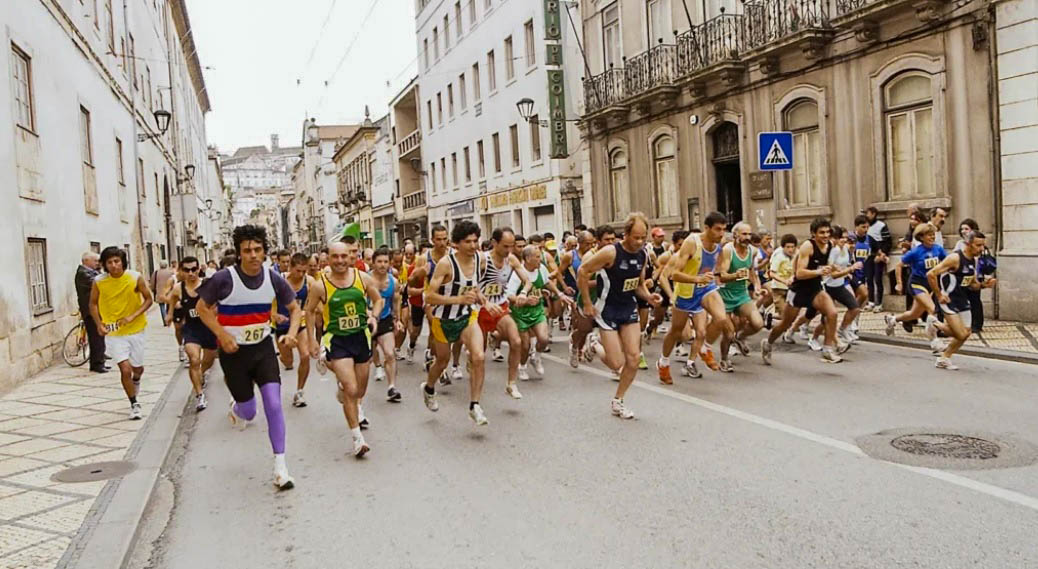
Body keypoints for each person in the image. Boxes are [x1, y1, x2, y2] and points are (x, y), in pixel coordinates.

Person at [196, 225, 302, 491]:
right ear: (240, 253)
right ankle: (237, 409)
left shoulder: (273, 278)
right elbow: (202, 309)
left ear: (265, 251)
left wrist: (290, 333)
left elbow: (294, 308)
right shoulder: (223, 278)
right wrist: (222, 334)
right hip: (234, 354)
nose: (253, 255)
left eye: (257, 249)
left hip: (263, 349)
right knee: (249, 410)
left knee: (274, 405)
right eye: (247, 250)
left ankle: (281, 467)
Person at [578, 212, 661, 419]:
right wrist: (587, 302)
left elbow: (639, 285)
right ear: (625, 234)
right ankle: (595, 344)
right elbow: (583, 271)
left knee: (633, 359)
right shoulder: (610, 252)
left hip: (628, 308)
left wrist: (650, 298)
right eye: (636, 237)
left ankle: (618, 400)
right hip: (607, 310)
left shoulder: (642, 254)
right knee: (617, 364)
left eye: (644, 237)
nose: (640, 241)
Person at [305, 239, 384, 456]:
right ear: (328, 259)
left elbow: (378, 300)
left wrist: (374, 317)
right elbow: (309, 311)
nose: (340, 261)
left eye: (344, 257)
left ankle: (344, 392)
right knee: (351, 388)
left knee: (359, 390)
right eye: (335, 257)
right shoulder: (320, 285)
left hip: (360, 337)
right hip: (337, 339)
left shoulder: (362, 278)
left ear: (350, 258)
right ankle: (358, 438)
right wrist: (312, 339)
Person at [421, 221, 491, 426]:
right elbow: (429, 297)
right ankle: (429, 388)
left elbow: (475, 288)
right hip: (443, 319)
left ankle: (475, 406)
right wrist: (457, 300)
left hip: (467, 317)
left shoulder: (481, 259)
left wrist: (484, 301)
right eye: (467, 242)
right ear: (457, 244)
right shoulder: (446, 264)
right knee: (442, 361)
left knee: (478, 356)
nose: (472, 245)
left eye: (475, 241)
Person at [761, 217, 847, 365]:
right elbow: (800, 273)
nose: (825, 236)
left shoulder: (830, 245)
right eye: (821, 233)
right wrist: (819, 272)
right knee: (785, 323)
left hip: (815, 288)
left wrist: (834, 268)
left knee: (832, 313)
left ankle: (827, 349)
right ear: (814, 233)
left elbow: (826, 264)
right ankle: (768, 343)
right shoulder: (808, 246)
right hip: (799, 289)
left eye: (827, 232)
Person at [658, 212, 732, 380]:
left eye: (724, 230)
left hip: (706, 288)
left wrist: (735, 276)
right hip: (686, 292)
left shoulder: (721, 245)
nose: (721, 234)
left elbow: (719, 271)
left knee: (720, 319)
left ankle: (704, 348)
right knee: (676, 331)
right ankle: (663, 362)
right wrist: (697, 278)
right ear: (707, 228)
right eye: (718, 229)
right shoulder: (692, 243)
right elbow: (674, 275)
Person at [89, 246, 154, 420]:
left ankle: (137, 379)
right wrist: (99, 324)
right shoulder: (99, 281)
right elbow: (93, 304)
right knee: (125, 370)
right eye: (109, 262)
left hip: (136, 330)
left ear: (123, 261)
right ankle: (134, 403)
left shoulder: (135, 277)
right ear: (105, 264)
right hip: (114, 332)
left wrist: (133, 316)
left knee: (137, 368)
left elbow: (149, 299)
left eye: (116, 261)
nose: (114, 265)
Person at [927, 230, 995, 370]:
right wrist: (939, 295)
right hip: (948, 299)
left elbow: (973, 284)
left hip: (962, 299)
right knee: (960, 333)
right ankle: (935, 324)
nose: (981, 249)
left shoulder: (974, 261)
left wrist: (984, 285)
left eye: (983, 245)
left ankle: (944, 358)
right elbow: (931, 274)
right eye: (978, 245)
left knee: (966, 333)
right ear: (968, 244)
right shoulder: (954, 258)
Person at [508, 244, 572, 381]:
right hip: (520, 314)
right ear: (527, 258)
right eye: (537, 257)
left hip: (537, 311)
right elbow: (509, 296)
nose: (540, 260)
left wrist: (560, 294)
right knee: (524, 345)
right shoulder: (517, 274)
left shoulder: (541, 269)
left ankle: (536, 358)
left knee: (544, 339)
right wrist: (524, 300)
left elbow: (547, 282)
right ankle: (523, 366)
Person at [477, 227, 527, 398]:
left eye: (511, 246)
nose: (509, 250)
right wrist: (485, 301)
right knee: (479, 353)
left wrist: (523, 293)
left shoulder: (511, 260)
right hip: (479, 310)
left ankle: (511, 384)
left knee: (516, 341)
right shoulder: (482, 260)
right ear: (494, 243)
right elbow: (470, 285)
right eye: (505, 246)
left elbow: (527, 280)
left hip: (500, 307)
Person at [885, 222, 947, 351]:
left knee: (914, 314)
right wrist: (899, 283)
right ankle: (935, 341)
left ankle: (893, 319)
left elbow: (946, 263)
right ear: (921, 237)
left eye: (933, 235)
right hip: (917, 283)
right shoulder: (915, 252)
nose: (932, 237)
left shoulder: (938, 249)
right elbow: (898, 266)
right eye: (929, 235)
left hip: (931, 284)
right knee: (932, 308)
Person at [163, 256, 214, 412]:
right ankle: (199, 395)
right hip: (191, 329)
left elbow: (218, 302)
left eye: (194, 269)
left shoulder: (207, 285)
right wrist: (170, 313)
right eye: (187, 270)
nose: (191, 273)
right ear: (181, 271)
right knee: (194, 359)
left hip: (209, 328)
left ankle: (201, 374)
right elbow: (171, 298)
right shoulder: (179, 288)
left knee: (208, 360)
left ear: (199, 269)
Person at [716, 222, 764, 371]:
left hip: (741, 295)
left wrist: (757, 286)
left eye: (749, 234)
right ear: (735, 235)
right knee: (728, 333)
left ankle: (740, 337)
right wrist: (735, 275)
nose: (747, 237)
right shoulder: (727, 250)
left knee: (758, 323)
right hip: (724, 296)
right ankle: (724, 359)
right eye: (744, 234)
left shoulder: (753, 251)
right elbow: (721, 276)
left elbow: (751, 271)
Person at [807, 225, 861, 348]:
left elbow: (844, 265)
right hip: (828, 287)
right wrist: (850, 270)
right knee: (827, 318)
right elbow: (834, 274)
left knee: (854, 307)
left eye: (846, 238)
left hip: (839, 286)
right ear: (835, 238)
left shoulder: (846, 249)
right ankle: (814, 338)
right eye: (841, 238)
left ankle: (843, 329)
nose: (844, 240)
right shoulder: (833, 251)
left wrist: (848, 270)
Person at [274, 254, 316, 408]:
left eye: (304, 271)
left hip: (300, 323)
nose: (301, 274)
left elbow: (313, 305)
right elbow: (266, 304)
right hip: (282, 325)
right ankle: (283, 358)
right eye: (298, 271)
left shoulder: (309, 282)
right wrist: (274, 315)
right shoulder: (279, 281)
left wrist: (306, 311)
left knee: (305, 355)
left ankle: (299, 391)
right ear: (290, 267)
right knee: (288, 361)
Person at [561, 229, 602, 368]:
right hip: (582, 295)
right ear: (579, 243)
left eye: (593, 243)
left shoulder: (601, 255)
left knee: (600, 327)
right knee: (584, 328)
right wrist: (564, 288)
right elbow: (559, 272)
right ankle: (574, 343)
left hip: (601, 296)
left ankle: (589, 347)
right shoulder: (570, 256)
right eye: (587, 243)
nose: (590, 246)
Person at [369, 247, 403, 402]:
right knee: (367, 356)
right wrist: (369, 314)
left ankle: (392, 387)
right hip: (366, 321)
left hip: (385, 319)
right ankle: (376, 367)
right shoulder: (365, 280)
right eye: (379, 262)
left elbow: (396, 300)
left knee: (390, 353)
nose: (382, 265)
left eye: (385, 262)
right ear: (373, 263)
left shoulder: (393, 281)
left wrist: (397, 319)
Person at [76, 251, 108, 373]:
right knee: (95, 338)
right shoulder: (83, 273)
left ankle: (100, 360)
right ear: (86, 261)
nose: (97, 263)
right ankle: (97, 364)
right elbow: (99, 283)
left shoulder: (92, 272)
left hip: (97, 310)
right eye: (95, 261)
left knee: (100, 337)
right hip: (90, 311)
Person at [954, 218, 985, 333]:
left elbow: (977, 259)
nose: (963, 231)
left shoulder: (977, 243)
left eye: (966, 229)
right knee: (963, 299)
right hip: (963, 275)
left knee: (975, 299)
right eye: (962, 229)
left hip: (975, 273)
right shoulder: (959, 243)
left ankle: (977, 324)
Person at [767, 234, 798, 344]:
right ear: (783, 247)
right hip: (778, 289)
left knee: (791, 315)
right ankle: (776, 330)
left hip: (791, 289)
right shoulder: (779, 257)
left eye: (792, 247)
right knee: (784, 315)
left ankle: (772, 317)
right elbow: (772, 273)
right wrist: (784, 280)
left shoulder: (796, 256)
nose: (790, 249)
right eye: (788, 247)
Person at [863, 206, 891, 311]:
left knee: (878, 279)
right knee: (869, 278)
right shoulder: (866, 226)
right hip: (869, 254)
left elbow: (888, 241)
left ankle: (879, 303)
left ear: (874, 214)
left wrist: (882, 254)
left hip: (879, 254)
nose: (867, 215)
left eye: (868, 213)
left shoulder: (881, 225)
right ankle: (871, 302)